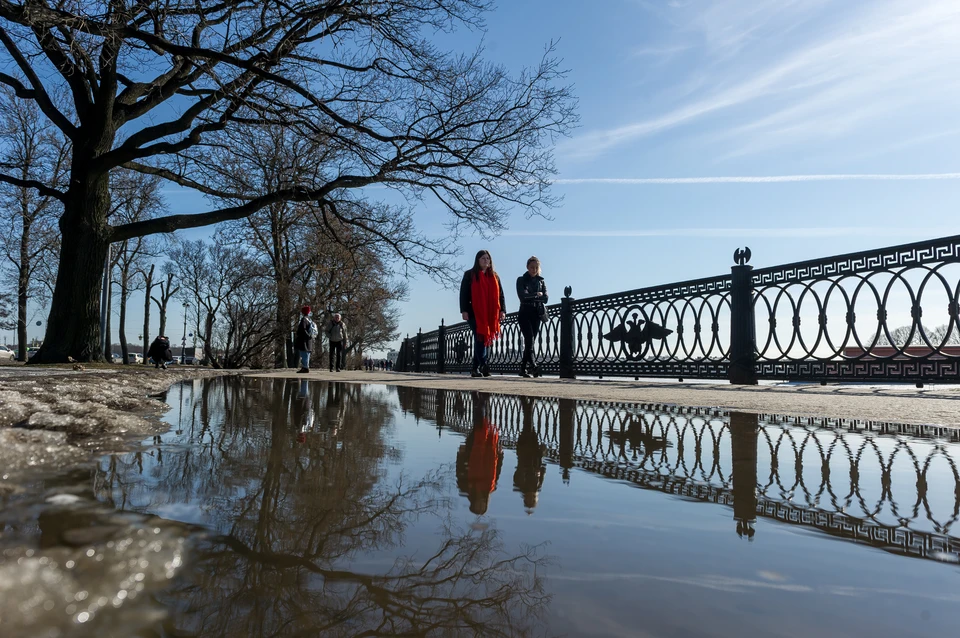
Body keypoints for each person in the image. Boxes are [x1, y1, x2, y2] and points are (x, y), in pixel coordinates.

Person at [459, 250, 506, 377]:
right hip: (474, 312)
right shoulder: (470, 275)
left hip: (490, 313)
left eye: (487, 258)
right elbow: (464, 294)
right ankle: (484, 365)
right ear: (478, 260)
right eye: (483, 258)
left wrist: (502, 310)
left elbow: (501, 295)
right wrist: (464, 310)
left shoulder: (494, 276)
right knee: (480, 337)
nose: (486, 260)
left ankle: (475, 369)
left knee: (481, 339)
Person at [516, 255, 548, 377]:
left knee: (530, 342)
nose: (534, 270)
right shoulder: (521, 280)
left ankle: (523, 369)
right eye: (531, 267)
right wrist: (536, 295)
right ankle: (534, 366)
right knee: (529, 339)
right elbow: (522, 296)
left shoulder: (541, 281)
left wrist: (533, 296)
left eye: (536, 267)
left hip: (536, 314)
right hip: (525, 313)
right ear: (527, 267)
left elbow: (546, 298)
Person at [294, 305, 314, 373]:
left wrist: (305, 335)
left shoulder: (304, 319)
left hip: (304, 340)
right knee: (307, 354)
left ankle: (305, 367)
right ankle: (306, 366)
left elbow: (303, 329)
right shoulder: (310, 319)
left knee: (304, 353)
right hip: (309, 339)